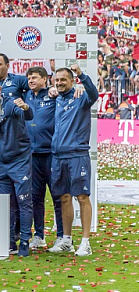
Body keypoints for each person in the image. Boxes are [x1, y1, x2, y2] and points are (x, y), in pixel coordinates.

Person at [0, 76, 34, 256]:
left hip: (19, 160)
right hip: (0, 162)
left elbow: (27, 115)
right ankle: (10, 240)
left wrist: (25, 108)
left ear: (0, 90)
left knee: (24, 201)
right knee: (6, 204)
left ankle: (25, 240)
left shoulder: (10, 105)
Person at [48, 64, 99, 256]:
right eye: (57, 80)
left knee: (82, 197)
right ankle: (67, 240)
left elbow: (94, 94)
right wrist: (51, 90)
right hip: (58, 156)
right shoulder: (55, 99)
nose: (59, 83)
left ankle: (85, 242)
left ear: (72, 81)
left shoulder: (81, 98)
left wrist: (81, 75)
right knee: (64, 198)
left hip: (77, 155)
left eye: (63, 80)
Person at [24, 66, 62, 249]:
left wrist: (54, 90)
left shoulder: (53, 95)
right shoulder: (26, 96)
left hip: (51, 154)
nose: (31, 80)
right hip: (32, 155)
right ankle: (39, 235)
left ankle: (62, 235)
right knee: (36, 197)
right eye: (29, 78)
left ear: (45, 79)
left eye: (35, 77)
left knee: (57, 195)